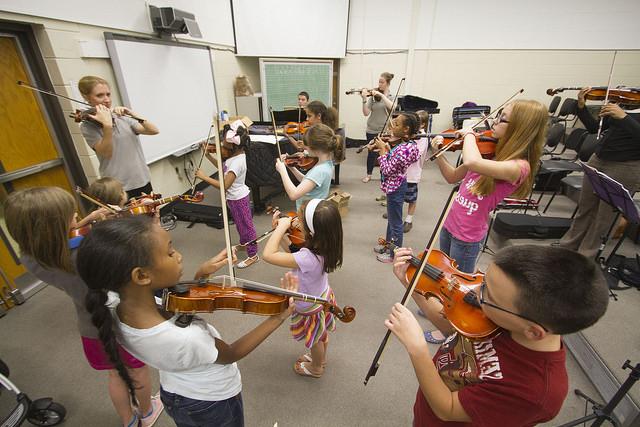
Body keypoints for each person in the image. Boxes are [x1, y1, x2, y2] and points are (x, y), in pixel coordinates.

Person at [76, 215, 298, 427]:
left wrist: (202, 275)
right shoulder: (187, 338)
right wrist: (278, 316)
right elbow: (231, 353)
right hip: (212, 401)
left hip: (174, 392)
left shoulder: (114, 303)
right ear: (141, 276)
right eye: (171, 252)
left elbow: (183, 302)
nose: (179, 255)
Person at [387, 244, 609, 426]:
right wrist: (414, 287)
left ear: (533, 331)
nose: (472, 292)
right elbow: (452, 327)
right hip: (428, 408)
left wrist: (417, 350)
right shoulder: (506, 317)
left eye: (488, 294)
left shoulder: (534, 393)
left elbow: (448, 409)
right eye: (484, 281)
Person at [4, 187, 163, 427]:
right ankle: (148, 411)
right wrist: (151, 225)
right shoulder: (88, 252)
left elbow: (66, 243)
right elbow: (146, 259)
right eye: (71, 213)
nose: (77, 214)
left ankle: (128, 420)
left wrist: (87, 222)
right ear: (55, 226)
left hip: (91, 328)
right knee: (138, 371)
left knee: (116, 375)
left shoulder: (31, 257)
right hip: (122, 322)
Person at [423, 99, 547, 343]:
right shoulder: (490, 151)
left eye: (502, 118)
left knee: (458, 285)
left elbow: (472, 162)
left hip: (468, 237)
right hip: (450, 224)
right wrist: (439, 154)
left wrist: (469, 133)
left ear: (519, 127)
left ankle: (451, 328)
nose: (494, 121)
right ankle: (439, 305)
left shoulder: (517, 166)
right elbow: (451, 177)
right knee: (443, 274)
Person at [262, 199, 343, 378]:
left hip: (309, 305)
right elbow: (293, 254)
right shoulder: (326, 244)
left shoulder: (308, 257)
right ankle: (320, 359)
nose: (297, 224)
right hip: (323, 296)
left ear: (312, 232)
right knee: (320, 335)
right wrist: (281, 232)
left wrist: (282, 227)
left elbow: (268, 255)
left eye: (302, 223)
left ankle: (316, 368)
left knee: (314, 340)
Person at [557, 87, 640, 259]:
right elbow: (595, 128)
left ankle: (585, 256)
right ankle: (567, 247)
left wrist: (624, 118)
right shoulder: (623, 106)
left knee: (605, 217)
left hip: (625, 166)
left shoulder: (624, 113)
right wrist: (581, 107)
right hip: (599, 159)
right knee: (585, 208)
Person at [78, 75, 159, 199]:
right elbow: (107, 153)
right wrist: (107, 126)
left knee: (151, 216)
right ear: (86, 97)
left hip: (141, 179)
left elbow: (153, 130)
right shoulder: (88, 126)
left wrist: (132, 114)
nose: (106, 99)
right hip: (117, 188)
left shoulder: (122, 117)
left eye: (108, 94)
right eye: (100, 95)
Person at [196, 120, 259, 269]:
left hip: (239, 199)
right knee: (240, 225)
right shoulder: (233, 157)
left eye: (224, 146)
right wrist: (208, 156)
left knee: (246, 227)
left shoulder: (237, 162)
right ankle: (244, 244)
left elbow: (224, 185)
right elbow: (222, 168)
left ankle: (253, 255)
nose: (221, 149)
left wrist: (204, 177)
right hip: (233, 199)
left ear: (234, 146)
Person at [370, 112, 420, 263]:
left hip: (396, 188)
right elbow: (392, 161)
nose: (392, 127)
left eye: (396, 124)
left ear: (406, 129)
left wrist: (384, 151)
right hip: (393, 187)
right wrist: (386, 148)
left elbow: (387, 169)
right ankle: (387, 247)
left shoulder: (407, 148)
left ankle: (393, 255)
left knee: (396, 223)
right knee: (392, 221)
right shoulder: (402, 145)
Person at [275, 123, 343, 211]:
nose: (304, 149)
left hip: (309, 213)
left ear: (314, 147)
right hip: (313, 211)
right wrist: (292, 167)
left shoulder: (320, 170)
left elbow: (293, 194)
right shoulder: (326, 164)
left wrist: (282, 171)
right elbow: (308, 181)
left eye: (306, 146)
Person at [284, 100, 346, 184]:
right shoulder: (317, 129)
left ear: (319, 116)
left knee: (303, 170)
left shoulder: (321, 133)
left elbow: (321, 153)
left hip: (321, 164)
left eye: (309, 116)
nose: (306, 119)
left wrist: (306, 151)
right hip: (321, 163)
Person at [361, 72, 395, 184]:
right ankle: (368, 174)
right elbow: (366, 113)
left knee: (384, 153)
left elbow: (393, 107)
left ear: (388, 83)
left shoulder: (390, 97)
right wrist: (364, 99)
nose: (379, 84)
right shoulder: (373, 97)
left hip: (385, 131)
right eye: (379, 82)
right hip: (372, 129)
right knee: (371, 153)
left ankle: (383, 176)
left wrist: (382, 96)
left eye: (382, 82)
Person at [403, 110, 430, 233]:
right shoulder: (411, 134)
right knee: (397, 194)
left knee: (411, 198)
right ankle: (395, 211)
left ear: (423, 125)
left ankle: (409, 220)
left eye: (417, 121)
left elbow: (415, 155)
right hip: (402, 172)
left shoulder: (422, 138)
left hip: (412, 174)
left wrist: (409, 142)